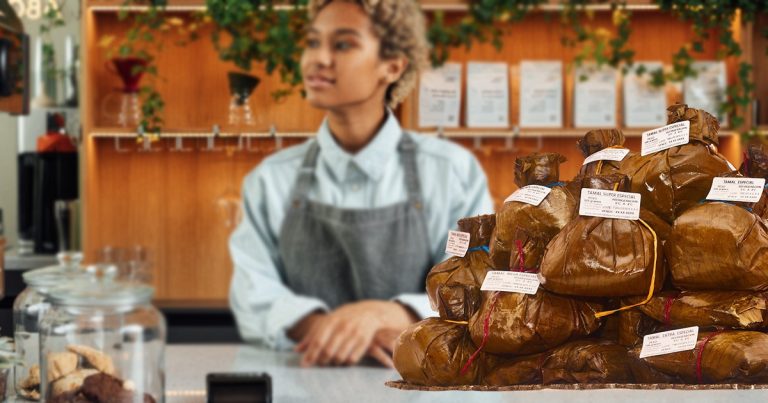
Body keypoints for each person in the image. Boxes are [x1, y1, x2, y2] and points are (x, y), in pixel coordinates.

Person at [229, 0, 494, 368]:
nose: (317, 59)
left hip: (419, 383)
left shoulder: (451, 172)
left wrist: (390, 315)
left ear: (393, 66)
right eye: (312, 42)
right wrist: (329, 329)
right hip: (302, 382)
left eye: (342, 44)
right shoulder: (271, 179)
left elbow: (476, 275)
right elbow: (252, 292)